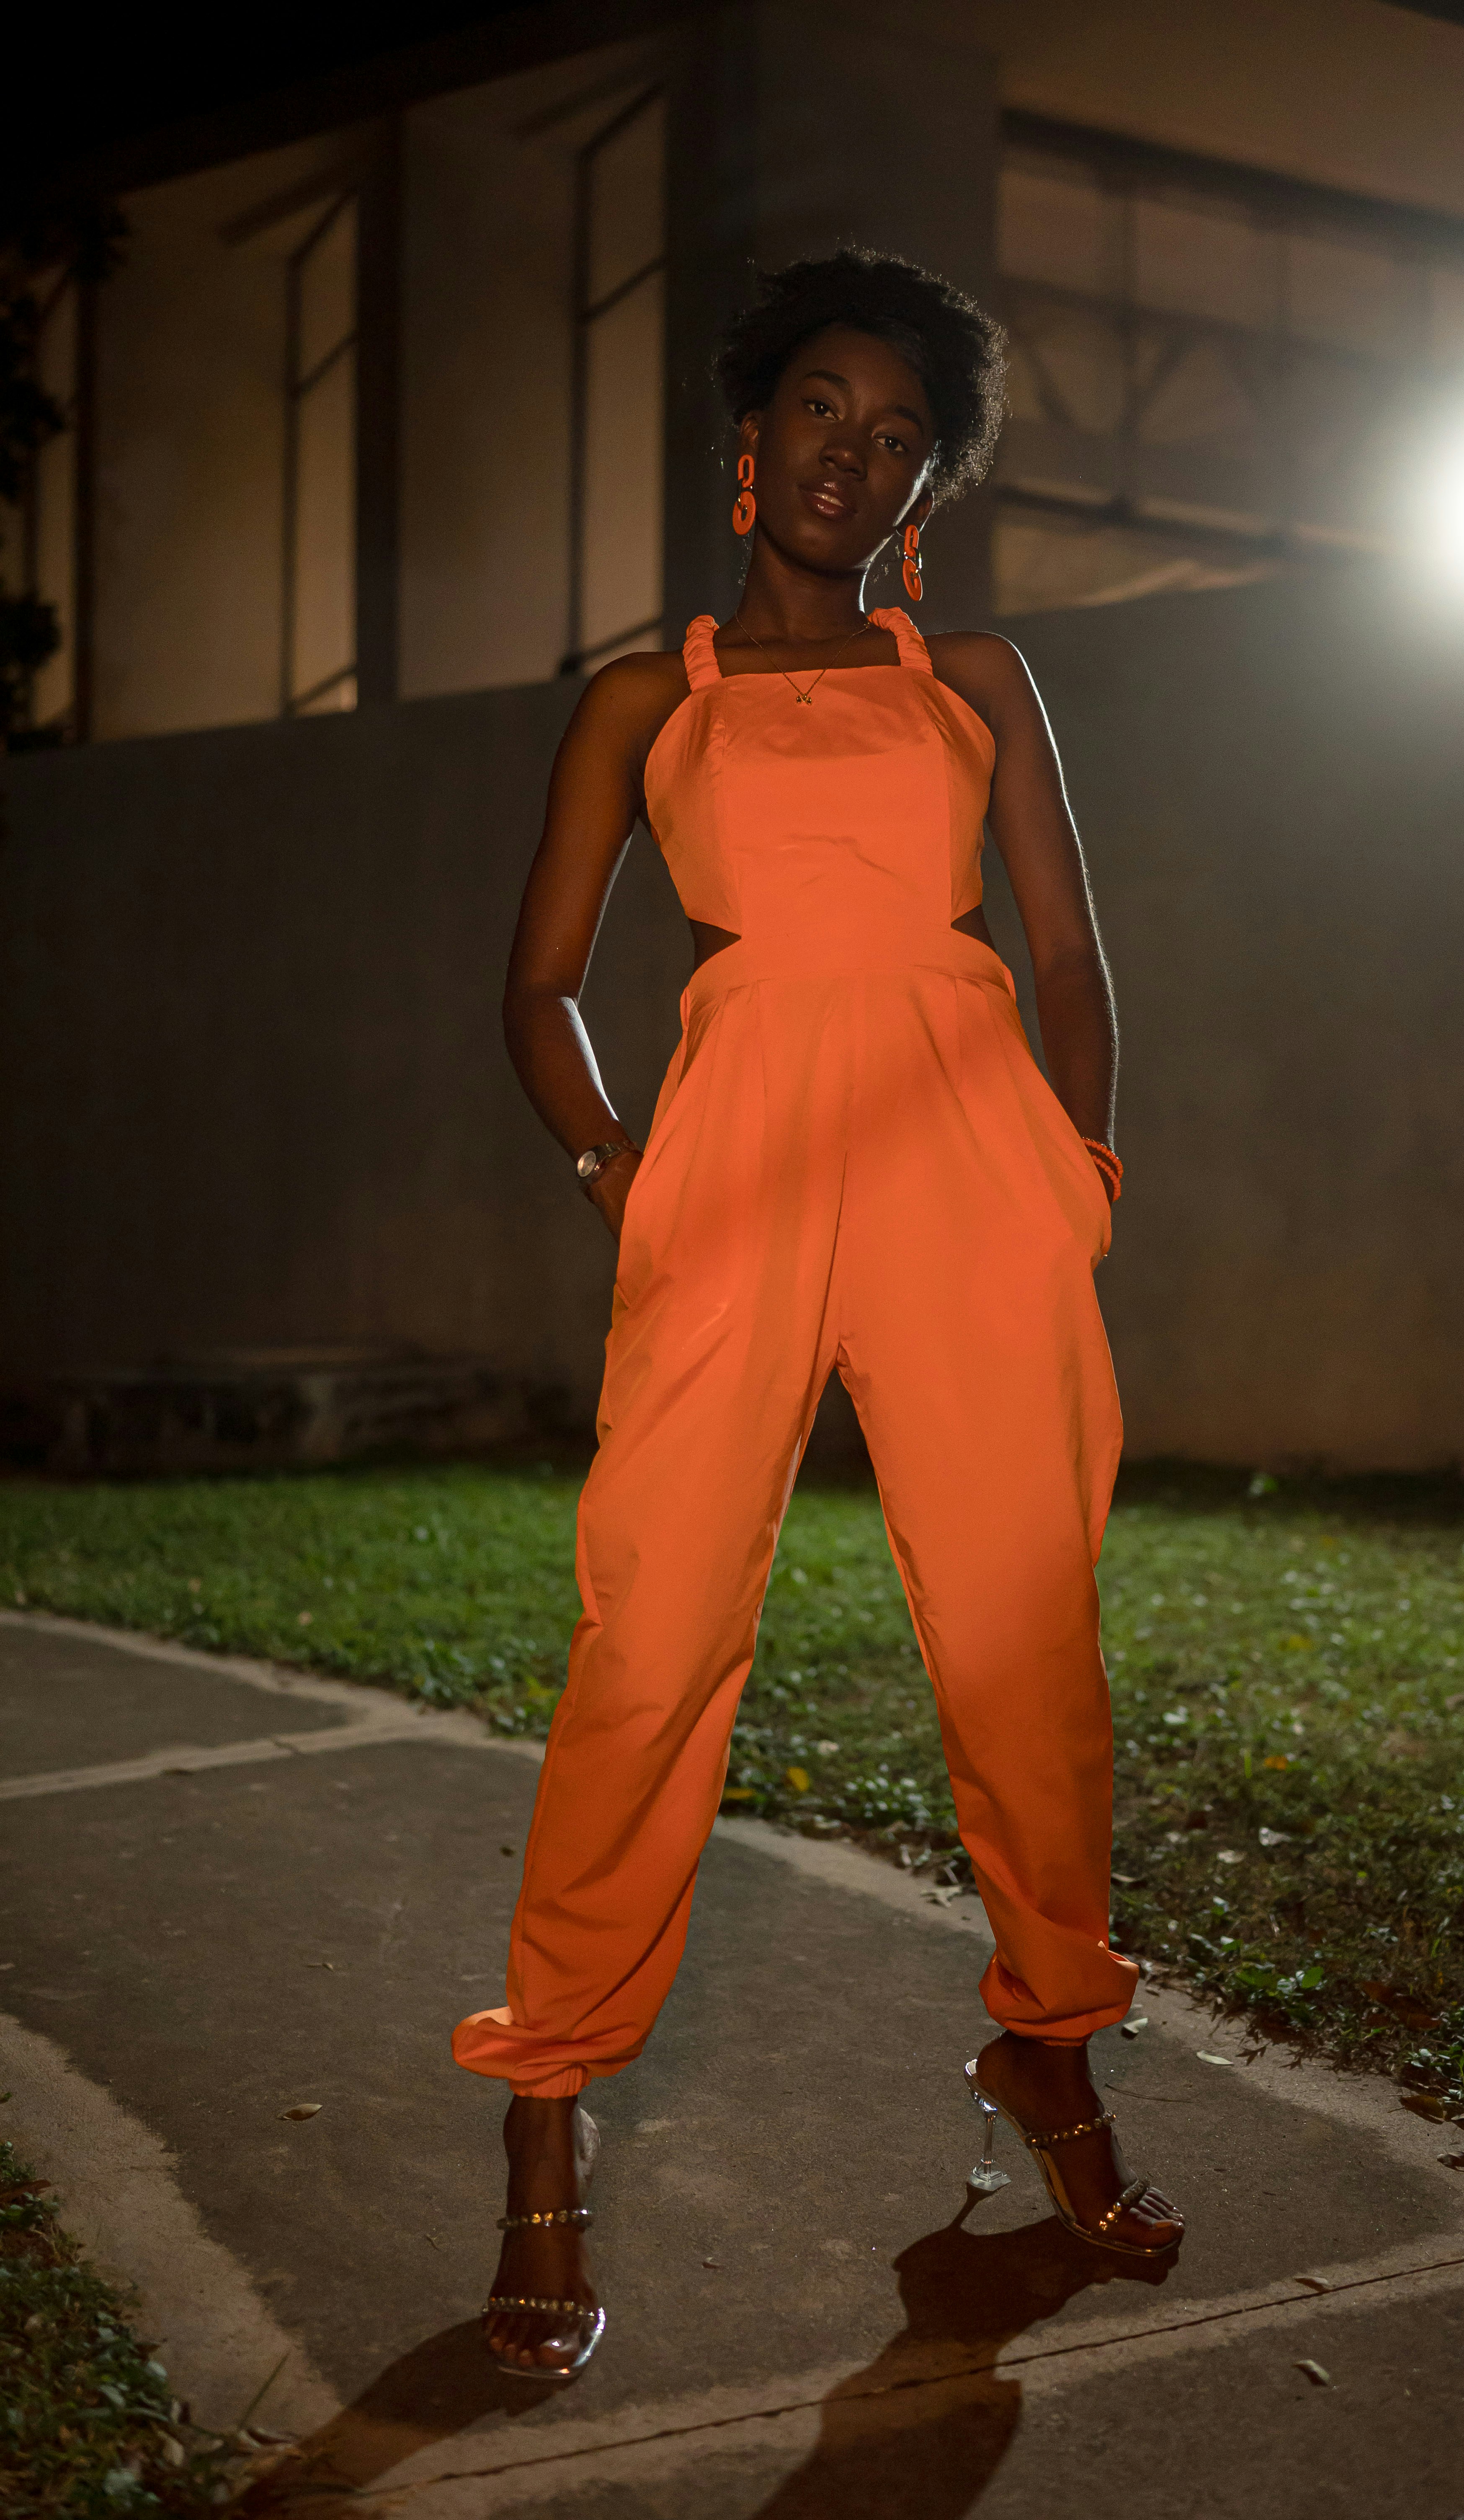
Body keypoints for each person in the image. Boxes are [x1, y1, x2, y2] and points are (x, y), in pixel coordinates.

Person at [455, 249, 1183, 2381]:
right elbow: (537, 984)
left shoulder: (976, 675)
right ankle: (545, 2106)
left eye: (896, 438)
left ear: (924, 491)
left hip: (970, 1166)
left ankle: (1051, 2048)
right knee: (650, 1637)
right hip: (735, 1173)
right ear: (747, 435)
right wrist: (620, 1168)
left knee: (1022, 1644)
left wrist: (1077, 1169)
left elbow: (1067, 950)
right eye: (821, 414)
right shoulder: (642, 701)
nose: (850, 457)